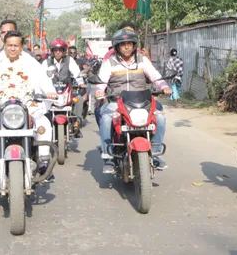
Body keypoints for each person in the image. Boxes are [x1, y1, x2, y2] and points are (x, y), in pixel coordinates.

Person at [0, 31, 57, 180]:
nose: (12, 48)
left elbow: (43, 80)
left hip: (26, 104)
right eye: (9, 45)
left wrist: (50, 92)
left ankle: (44, 163)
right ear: (4, 46)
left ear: (21, 46)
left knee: (44, 123)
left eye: (16, 46)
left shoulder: (31, 63)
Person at [96, 29, 172, 173]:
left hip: (143, 101)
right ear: (117, 46)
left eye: (129, 44)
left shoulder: (142, 60)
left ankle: (155, 153)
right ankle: (108, 157)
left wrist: (164, 86)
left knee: (160, 117)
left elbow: (155, 76)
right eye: (123, 44)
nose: (126, 47)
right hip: (117, 102)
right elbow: (101, 81)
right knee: (106, 119)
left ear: (134, 45)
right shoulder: (109, 63)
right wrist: (99, 91)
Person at [42, 38, 86, 134]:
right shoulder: (46, 62)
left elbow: (76, 73)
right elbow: (42, 77)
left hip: (66, 91)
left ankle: (76, 122)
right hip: (51, 93)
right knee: (41, 107)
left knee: (79, 99)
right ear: (52, 51)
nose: (58, 52)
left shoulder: (69, 60)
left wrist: (81, 83)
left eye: (60, 50)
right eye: (55, 50)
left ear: (64, 51)